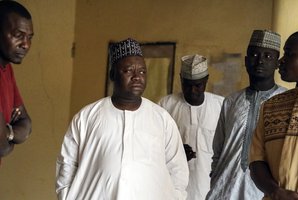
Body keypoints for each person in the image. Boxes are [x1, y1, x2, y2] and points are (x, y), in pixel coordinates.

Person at [56, 38, 189, 200]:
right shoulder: (87, 117)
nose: (136, 77)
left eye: (142, 71)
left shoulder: (162, 119)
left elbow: (178, 169)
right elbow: (67, 165)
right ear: (113, 74)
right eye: (128, 71)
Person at [205, 30, 287, 200]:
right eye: (254, 54)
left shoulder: (286, 101)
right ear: (246, 60)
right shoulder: (231, 101)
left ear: (277, 63)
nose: (260, 60)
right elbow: (218, 150)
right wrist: (215, 179)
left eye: (268, 56)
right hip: (225, 189)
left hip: (265, 193)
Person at [158, 54, 224, 200]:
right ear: (181, 79)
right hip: (174, 189)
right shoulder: (165, 106)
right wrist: (177, 152)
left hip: (210, 189)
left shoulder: (220, 106)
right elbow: (155, 148)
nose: (192, 90)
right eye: (187, 85)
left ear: (206, 80)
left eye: (198, 85)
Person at [249, 31, 298, 200]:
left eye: (289, 54)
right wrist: (275, 192)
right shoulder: (271, 106)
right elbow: (256, 160)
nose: (281, 61)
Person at [0, 0, 33, 164]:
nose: (26, 44)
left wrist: (7, 132)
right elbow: (2, 147)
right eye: (18, 35)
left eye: (29, 37)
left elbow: (27, 124)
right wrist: (12, 135)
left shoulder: (6, 70)